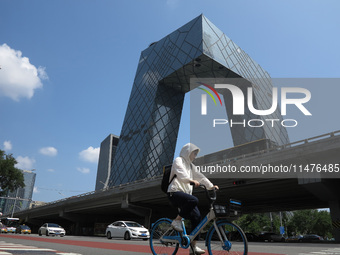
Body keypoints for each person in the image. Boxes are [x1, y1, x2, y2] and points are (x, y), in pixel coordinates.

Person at [167, 143, 219, 255]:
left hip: (185, 196)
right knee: (194, 200)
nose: (195, 155)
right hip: (174, 193)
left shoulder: (191, 166)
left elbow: (201, 177)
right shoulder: (178, 160)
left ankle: (193, 247)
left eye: (196, 153)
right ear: (188, 152)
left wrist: (211, 186)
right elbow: (180, 173)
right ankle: (177, 220)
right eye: (194, 153)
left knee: (197, 218)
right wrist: (191, 181)